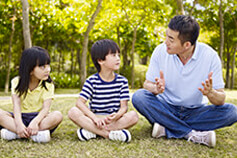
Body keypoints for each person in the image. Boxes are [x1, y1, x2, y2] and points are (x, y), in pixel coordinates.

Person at [132, 15, 237, 147]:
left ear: (187, 45)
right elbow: (147, 84)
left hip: (196, 111)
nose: (165, 42)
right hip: (166, 108)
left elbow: (220, 100)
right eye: (166, 36)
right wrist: (155, 89)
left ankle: (167, 128)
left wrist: (211, 93)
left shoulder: (210, 56)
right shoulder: (160, 51)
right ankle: (190, 134)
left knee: (232, 112)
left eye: (171, 39)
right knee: (139, 97)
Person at [68, 39, 138, 142]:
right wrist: (94, 118)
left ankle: (92, 131)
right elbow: (79, 103)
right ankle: (107, 134)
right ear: (100, 60)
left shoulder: (122, 81)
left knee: (134, 116)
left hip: (113, 119)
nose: (118, 58)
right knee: (72, 112)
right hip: (95, 118)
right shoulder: (92, 81)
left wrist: (117, 115)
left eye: (118, 55)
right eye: (113, 55)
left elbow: (124, 108)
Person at [0, 46, 63, 143]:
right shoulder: (16, 82)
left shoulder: (48, 85)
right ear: (30, 70)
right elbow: (16, 106)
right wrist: (19, 124)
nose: (48, 70)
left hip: (39, 119)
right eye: (43, 67)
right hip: (20, 117)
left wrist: (35, 122)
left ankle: (17, 133)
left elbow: (46, 109)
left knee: (57, 115)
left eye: (48, 65)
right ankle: (33, 134)